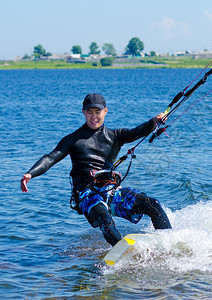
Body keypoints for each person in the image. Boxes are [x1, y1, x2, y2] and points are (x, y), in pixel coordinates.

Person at [20, 93, 172, 246]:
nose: (94, 117)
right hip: (87, 195)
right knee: (105, 220)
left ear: (105, 111)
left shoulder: (116, 135)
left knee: (153, 204)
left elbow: (138, 131)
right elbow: (51, 157)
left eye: (97, 112)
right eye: (89, 112)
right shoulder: (73, 139)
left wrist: (154, 121)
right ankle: (124, 251)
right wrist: (30, 173)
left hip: (111, 191)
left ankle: (168, 243)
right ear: (83, 112)